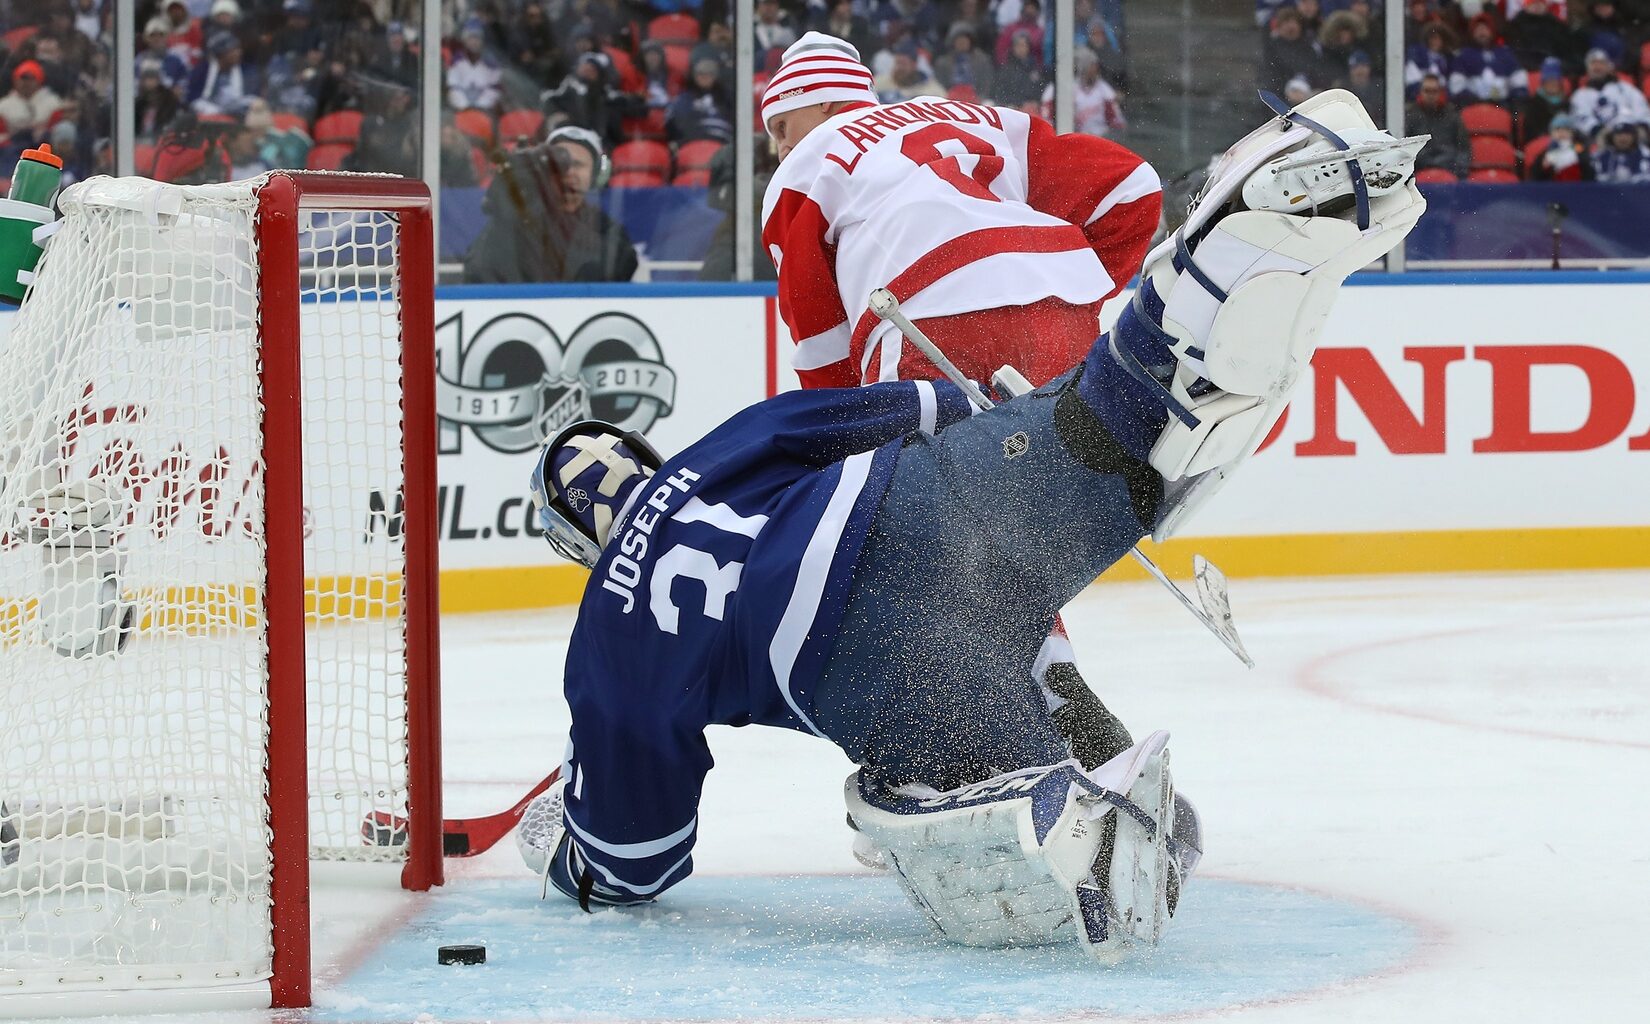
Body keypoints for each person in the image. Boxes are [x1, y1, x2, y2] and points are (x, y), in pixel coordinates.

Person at [516, 87, 1424, 959]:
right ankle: (1237, 245)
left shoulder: (609, 625)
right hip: (925, 502)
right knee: (1123, 431)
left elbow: (637, 856)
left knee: (914, 778)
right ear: (642, 457)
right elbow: (908, 404)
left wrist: (565, 847)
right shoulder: (718, 452)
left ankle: (1050, 803)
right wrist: (1017, 424)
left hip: (867, 654)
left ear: (579, 545)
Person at [462, 125, 638, 283]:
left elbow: (617, 271)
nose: (569, 172)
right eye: (559, 164)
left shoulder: (607, 229)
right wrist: (505, 217)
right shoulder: (519, 223)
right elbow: (478, 269)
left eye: (578, 165)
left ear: (595, 174)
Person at [1041, 46, 1123, 138]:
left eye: (1095, 66)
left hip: (1102, 139)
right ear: (1082, 68)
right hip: (1075, 139)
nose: (1094, 70)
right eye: (1091, 66)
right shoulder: (1064, 88)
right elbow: (1047, 118)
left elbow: (1117, 122)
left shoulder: (1104, 89)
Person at [1570, 48, 1650, 140]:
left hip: (1632, 137)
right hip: (1599, 142)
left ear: (1609, 66)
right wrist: (1600, 132)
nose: (1597, 67)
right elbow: (1581, 119)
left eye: (1601, 63)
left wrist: (1642, 127)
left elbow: (1641, 109)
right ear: (1587, 68)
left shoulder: (1625, 88)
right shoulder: (1580, 96)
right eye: (1593, 63)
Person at [1449, 15, 1529, 106]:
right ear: (1472, 33)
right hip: (1474, 107)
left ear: (1492, 31)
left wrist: (1514, 102)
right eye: (1478, 29)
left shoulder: (1506, 54)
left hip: (1503, 106)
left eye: (1485, 29)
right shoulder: (1463, 55)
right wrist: (1474, 102)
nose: (1482, 32)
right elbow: (1457, 86)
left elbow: (1519, 82)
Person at [1408, 72, 1472, 177]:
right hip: (1419, 169)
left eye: (1434, 91)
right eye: (1427, 91)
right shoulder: (1411, 115)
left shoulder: (1452, 115)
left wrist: (1460, 173)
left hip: (1449, 168)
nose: (1430, 95)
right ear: (1420, 92)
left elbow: (1463, 148)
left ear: (1440, 93)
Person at [0, 61, 64, 141]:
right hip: (13, 146)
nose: (26, 83)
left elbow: (56, 129)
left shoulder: (53, 102)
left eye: (31, 79)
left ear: (39, 80)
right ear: (15, 80)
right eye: (23, 79)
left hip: (44, 143)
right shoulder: (3, 105)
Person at [1529, 113, 1594, 180]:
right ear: (1552, 133)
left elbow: (1588, 169)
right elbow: (1535, 176)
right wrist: (1542, 167)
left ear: (1572, 133)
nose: (1561, 132)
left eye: (1565, 129)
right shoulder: (1545, 153)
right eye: (1557, 129)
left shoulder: (1579, 149)